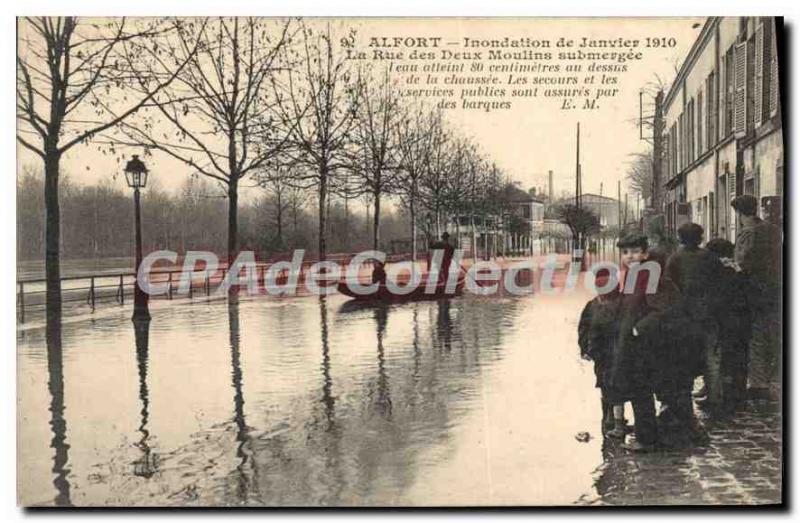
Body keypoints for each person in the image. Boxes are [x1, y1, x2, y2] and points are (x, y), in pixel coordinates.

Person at [605, 232, 669, 452]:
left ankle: (647, 439)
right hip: (630, 344)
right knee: (635, 389)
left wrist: (637, 329)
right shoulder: (631, 275)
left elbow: (661, 309)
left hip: (642, 344)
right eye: (625, 252)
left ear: (645, 253)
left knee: (641, 391)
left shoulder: (649, 276)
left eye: (634, 252)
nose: (629, 256)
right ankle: (645, 435)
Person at [731, 195, 782, 399]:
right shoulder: (774, 230)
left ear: (740, 214)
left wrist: (731, 265)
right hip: (775, 289)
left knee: (756, 337)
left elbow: (742, 263)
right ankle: (772, 378)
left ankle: (759, 383)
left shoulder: (749, 234)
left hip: (754, 292)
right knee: (773, 334)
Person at [706, 238, 751, 413]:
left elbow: (716, 300)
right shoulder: (739, 271)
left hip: (725, 323)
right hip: (742, 323)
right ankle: (738, 397)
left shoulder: (720, 273)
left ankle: (729, 399)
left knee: (726, 361)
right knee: (739, 361)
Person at [578, 268, 621, 435]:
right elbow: (583, 329)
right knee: (608, 383)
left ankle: (611, 416)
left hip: (608, 352)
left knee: (608, 383)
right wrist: (585, 349)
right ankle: (611, 416)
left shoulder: (595, 305)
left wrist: (585, 349)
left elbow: (583, 330)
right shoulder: (595, 305)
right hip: (606, 353)